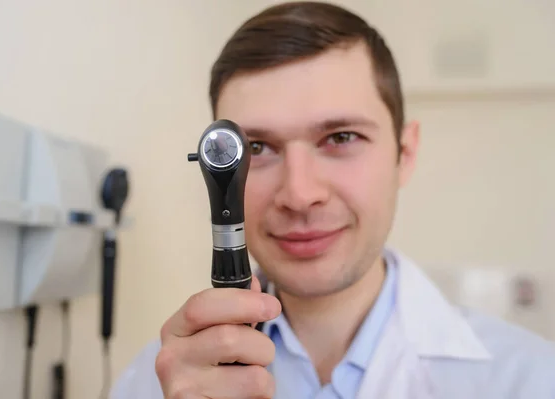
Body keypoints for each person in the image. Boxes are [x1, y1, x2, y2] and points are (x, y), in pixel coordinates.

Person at [111, 2, 555, 398]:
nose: (300, 195)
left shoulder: (532, 380)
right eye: (258, 148)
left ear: (406, 153)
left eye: (341, 137)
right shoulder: (155, 383)